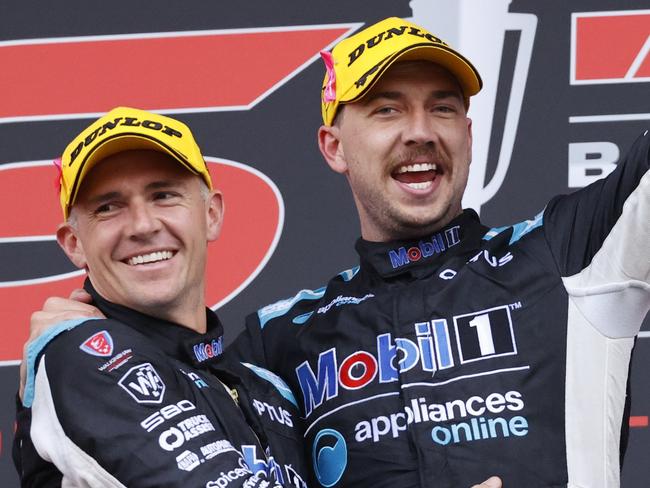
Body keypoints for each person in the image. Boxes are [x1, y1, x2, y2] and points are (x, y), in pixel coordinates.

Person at [22, 15, 649, 487]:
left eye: (444, 108)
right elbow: (160, 410)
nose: (420, 131)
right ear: (333, 146)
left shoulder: (569, 254)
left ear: (468, 131)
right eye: (385, 110)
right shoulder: (278, 343)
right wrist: (84, 349)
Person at [13, 107, 310, 487]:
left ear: (211, 214)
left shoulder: (266, 387)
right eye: (108, 207)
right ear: (74, 245)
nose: (142, 225)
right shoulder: (78, 352)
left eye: (164, 195)